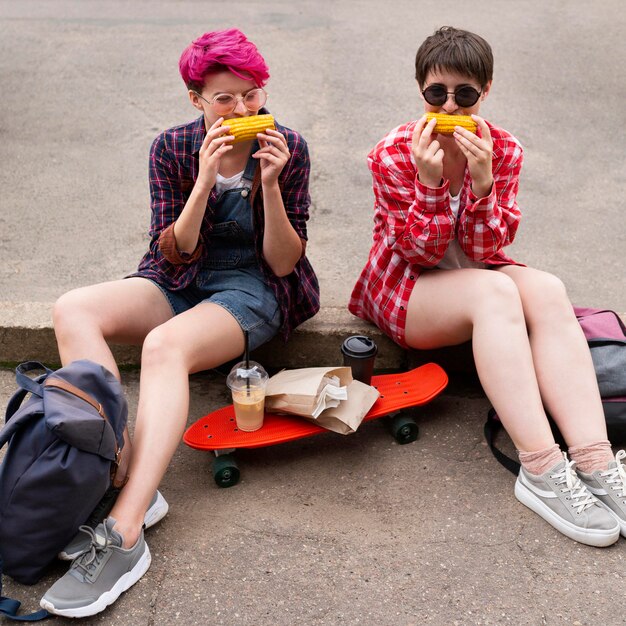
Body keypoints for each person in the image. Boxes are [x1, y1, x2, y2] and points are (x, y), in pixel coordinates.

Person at [41, 28, 319, 617]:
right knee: (74, 307)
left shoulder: (286, 146)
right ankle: (121, 474)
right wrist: (202, 179)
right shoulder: (171, 148)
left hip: (255, 286)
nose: (243, 109)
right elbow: (175, 252)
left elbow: (283, 261)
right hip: (183, 275)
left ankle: (125, 533)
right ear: (197, 100)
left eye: (251, 94)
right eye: (225, 99)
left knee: (165, 346)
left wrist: (268, 184)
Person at [349, 26, 626, 548]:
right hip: (407, 289)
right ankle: (542, 469)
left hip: (474, 277)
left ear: (486, 91)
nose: (450, 105)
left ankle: (595, 461)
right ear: (420, 90)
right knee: (495, 293)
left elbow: (481, 253)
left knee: (546, 287)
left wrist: (481, 184)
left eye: (465, 95)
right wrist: (430, 188)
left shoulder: (505, 149)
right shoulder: (391, 153)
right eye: (437, 93)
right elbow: (419, 254)